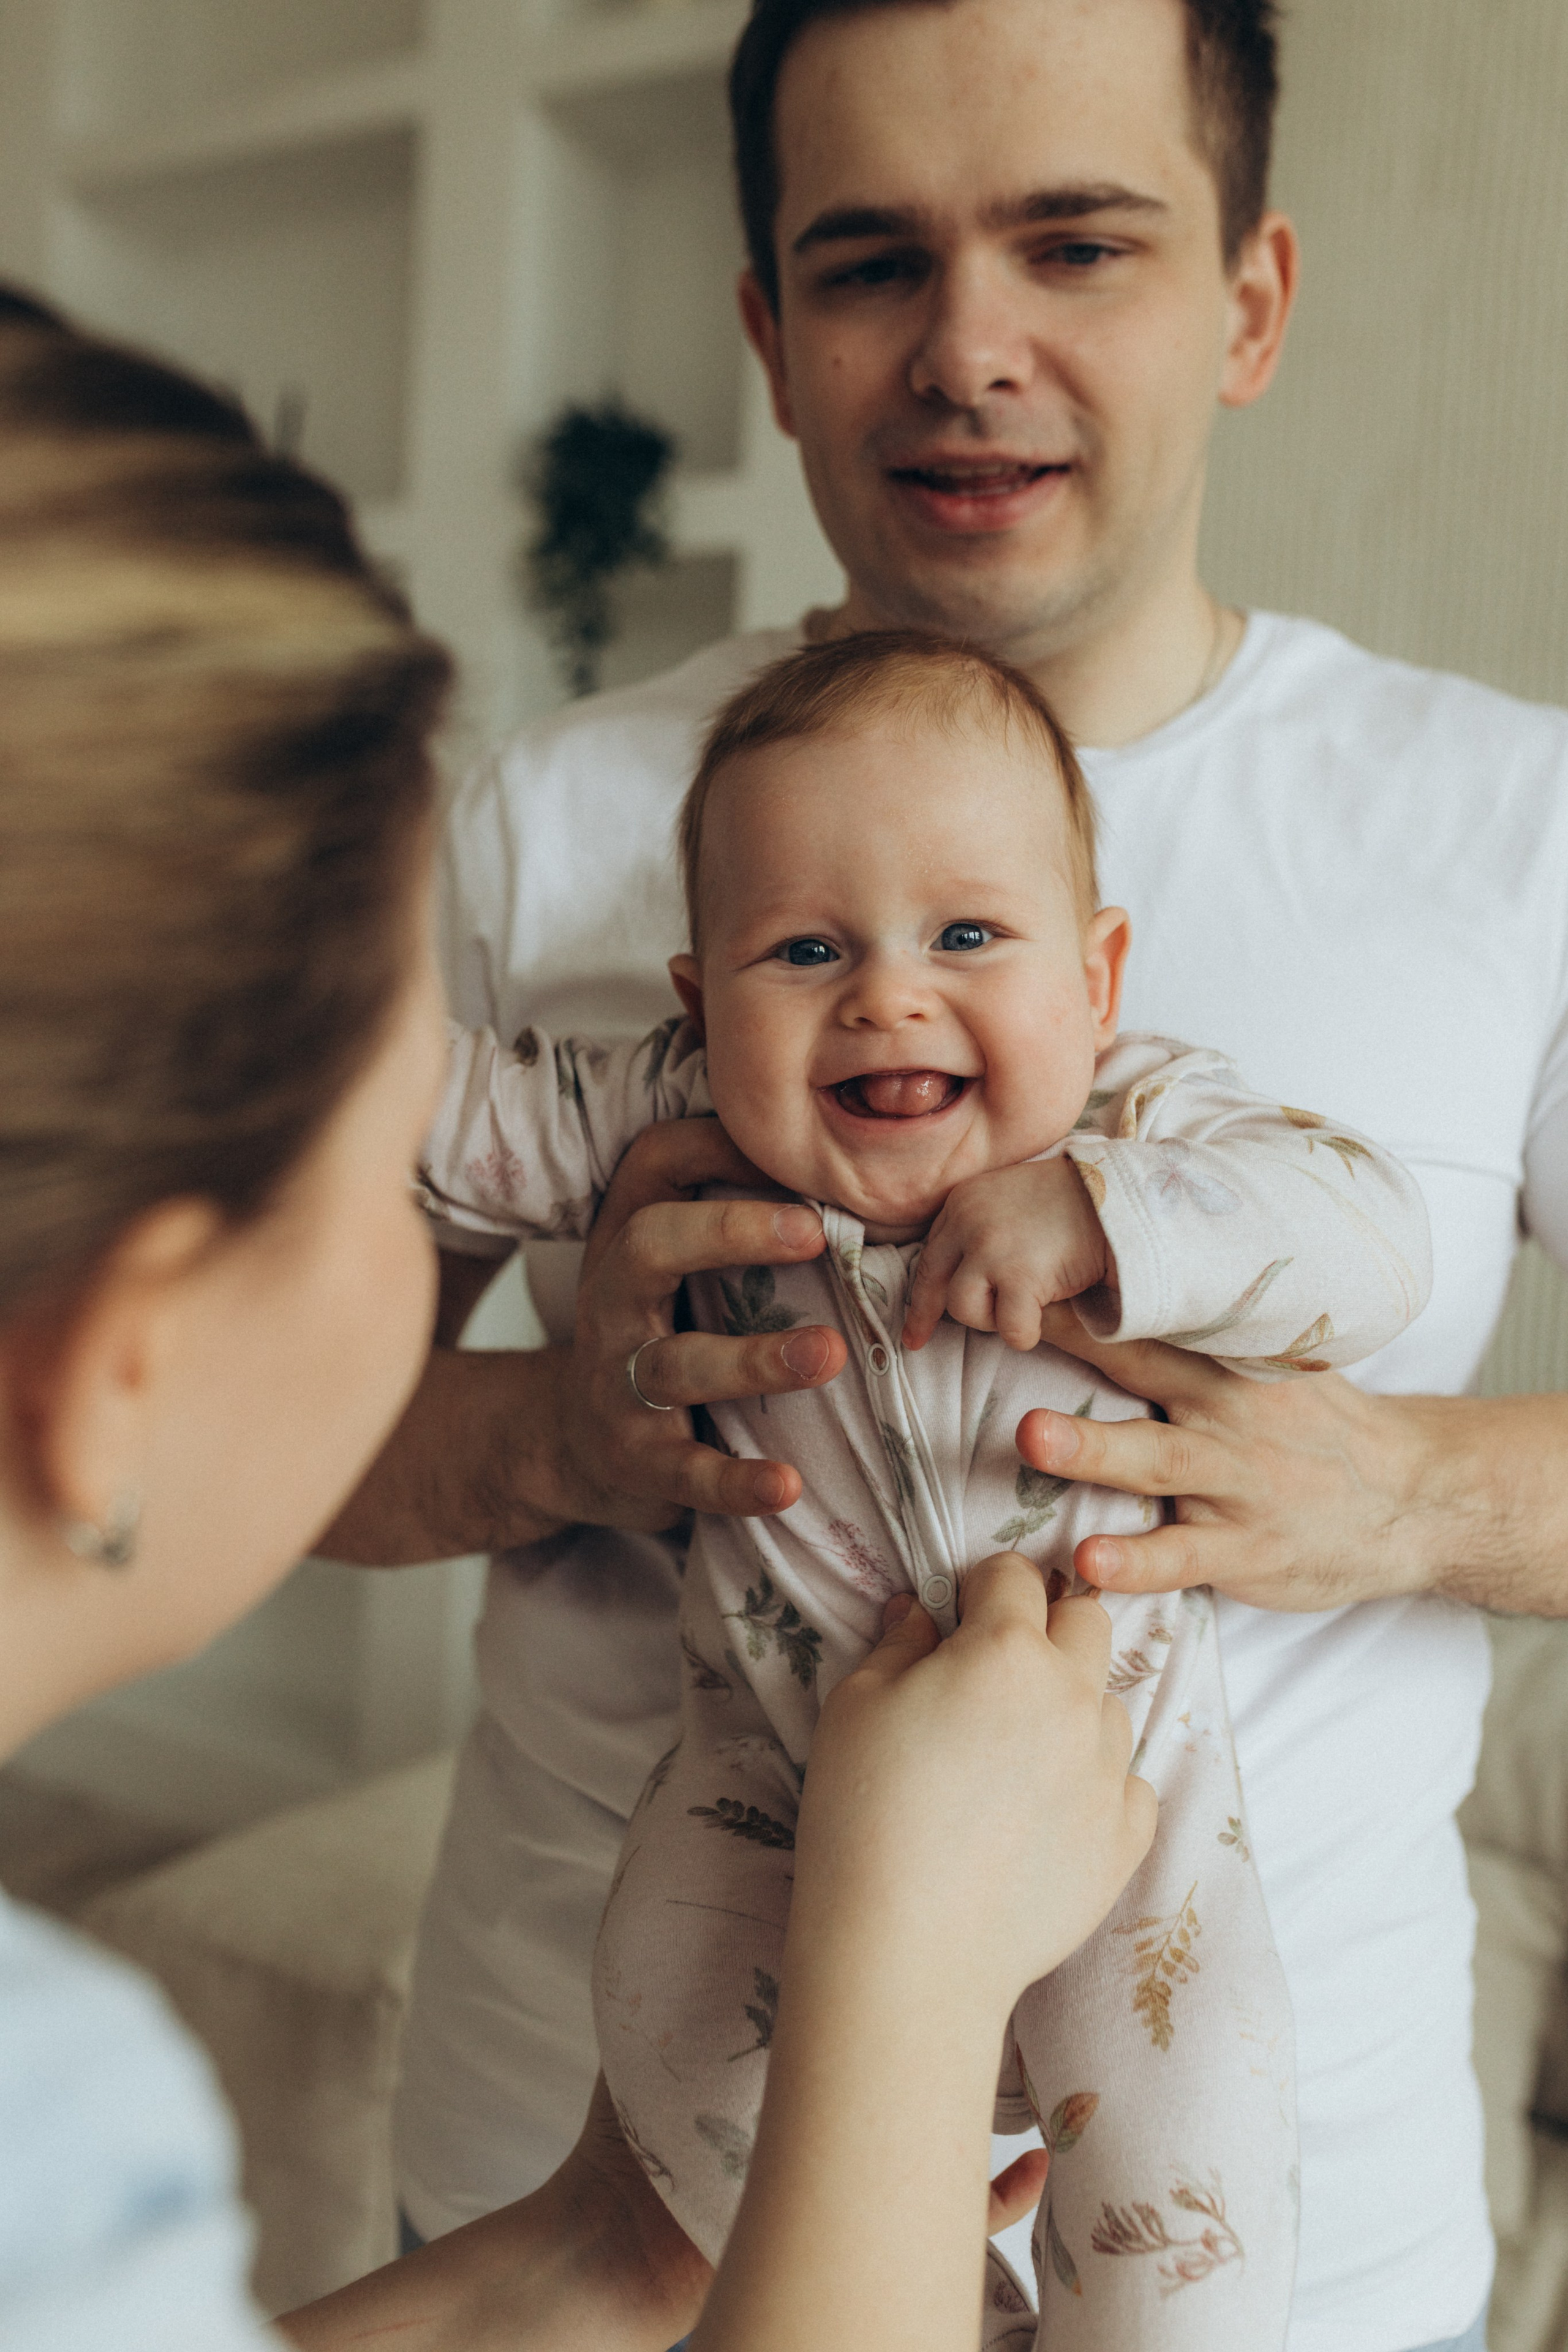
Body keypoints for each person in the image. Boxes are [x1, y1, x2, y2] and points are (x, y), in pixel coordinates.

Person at [332, 3, 1566, 2346]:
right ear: (769, 338)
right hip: (598, 2231)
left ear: (1250, 304)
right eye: (873, 261)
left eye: (1076, 244)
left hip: (1271, 2235)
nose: (967, 349)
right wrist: (561, 1435)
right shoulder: (552, 824)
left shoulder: (1511, 826)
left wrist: (1401, 1495)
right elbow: (219, 1437)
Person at [0, 303, 1156, 2350]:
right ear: (123, 1362)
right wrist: (897, 1983)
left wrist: (623, 2235)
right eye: (406, 1141)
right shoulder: (65, 2137)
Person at [421, 627, 1433, 2347]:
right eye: (806, 949)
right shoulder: (678, 1116)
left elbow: (1375, 1245)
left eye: (968, 936)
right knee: (675, 2067)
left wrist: (1117, 1216)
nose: (888, 995)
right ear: (699, 1007)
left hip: (1128, 1820)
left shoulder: (1147, 1121)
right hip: (769, 1793)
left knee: (1192, 2192)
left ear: (1098, 979)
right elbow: (452, 1123)